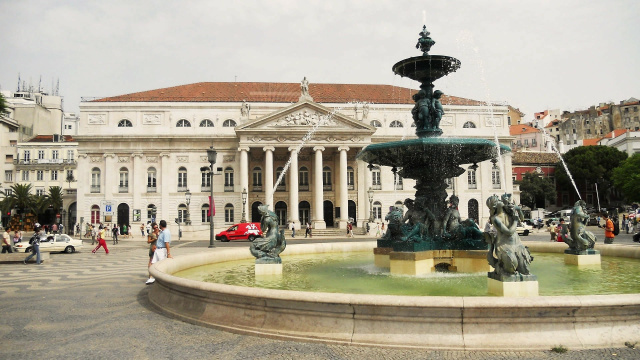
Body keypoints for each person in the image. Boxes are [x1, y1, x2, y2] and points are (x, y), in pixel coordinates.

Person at [147, 220, 172, 284]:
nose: (157, 228)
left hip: (161, 250)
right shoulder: (162, 232)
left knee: (161, 265)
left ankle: (163, 279)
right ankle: (151, 278)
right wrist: (155, 245)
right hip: (157, 249)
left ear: (160, 225)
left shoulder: (165, 232)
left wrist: (168, 253)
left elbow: (167, 243)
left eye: (158, 226)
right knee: (153, 264)